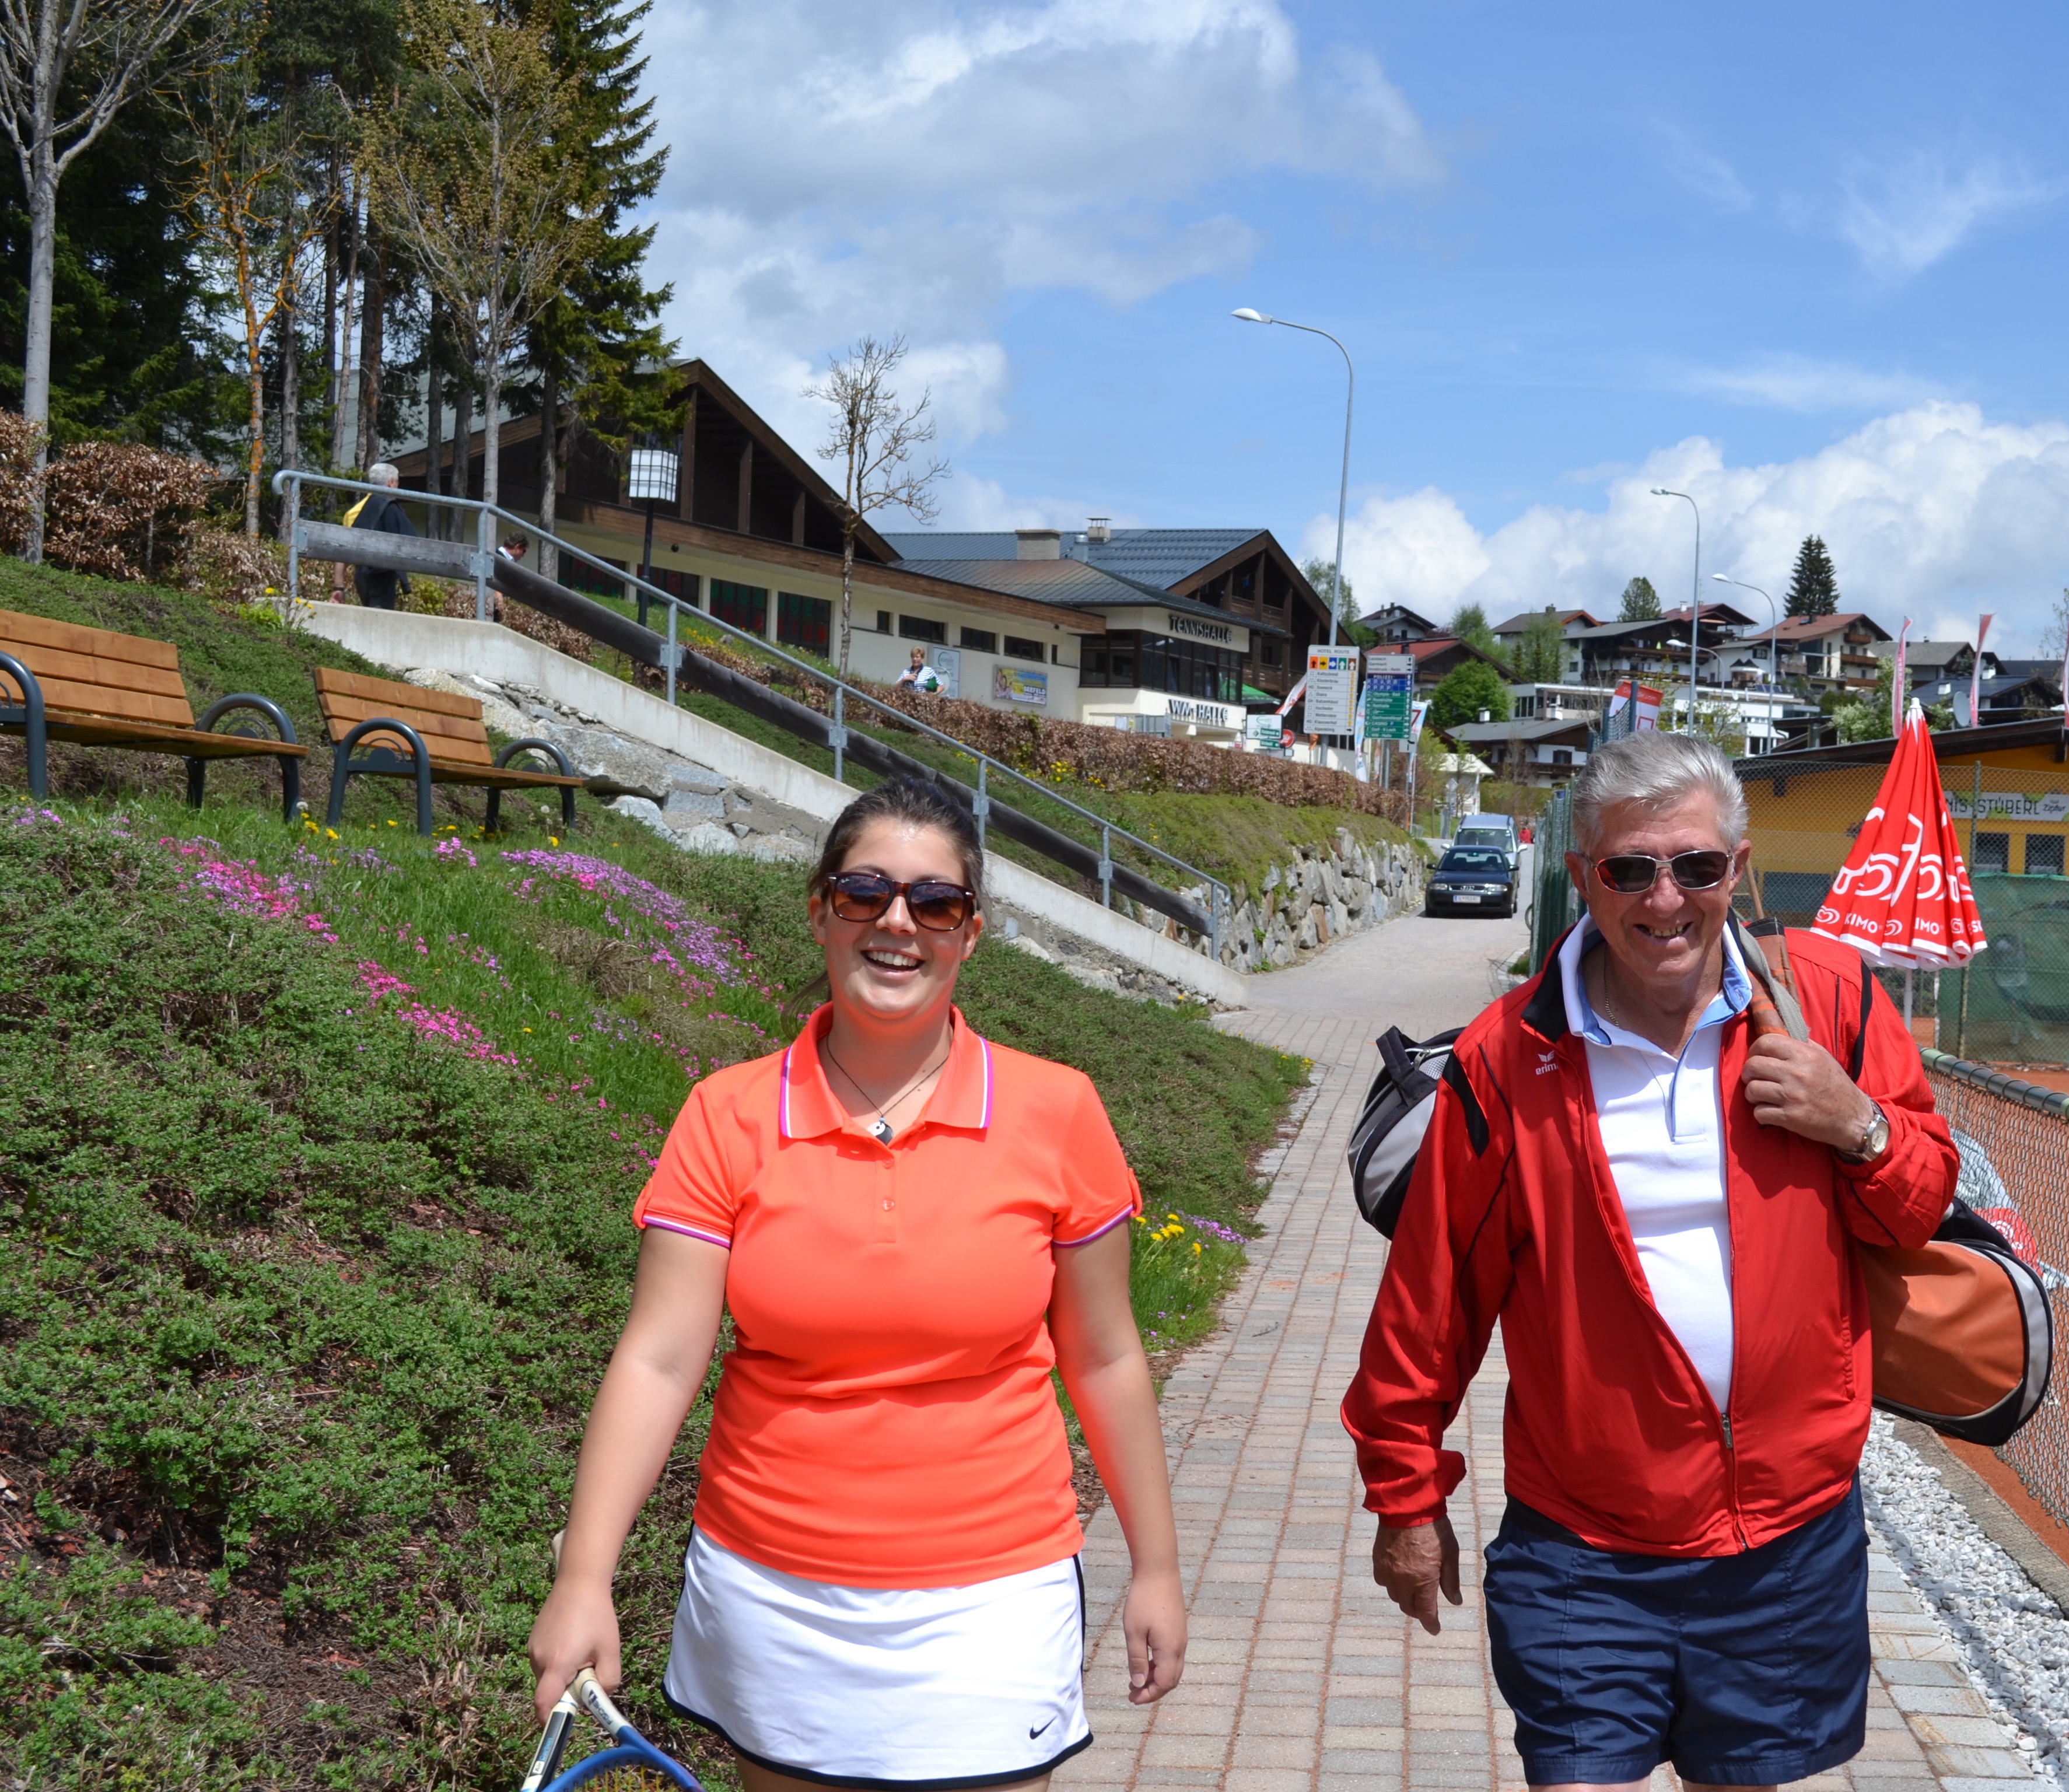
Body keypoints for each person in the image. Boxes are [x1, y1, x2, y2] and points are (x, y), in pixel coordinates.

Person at [528, 776, 1185, 1790]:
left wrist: (1156, 1567)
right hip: (769, 1592)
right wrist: (583, 1577)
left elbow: (1104, 1357)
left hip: (996, 1596)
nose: (897, 922)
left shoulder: (1058, 1110)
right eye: (864, 892)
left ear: (971, 933)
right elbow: (658, 1359)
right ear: (820, 912)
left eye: (936, 902)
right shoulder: (726, 1114)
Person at [1343, 730, 1961, 1792]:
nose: (1664, 899)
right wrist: (1405, 1493)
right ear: (1584, 875)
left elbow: (1917, 1208)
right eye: (1630, 869)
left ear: (1739, 867)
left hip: (1788, 1540)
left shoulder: (1828, 1004)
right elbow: (1432, 1296)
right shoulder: (1508, 1057)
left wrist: (1855, 1122)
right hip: (1583, 1545)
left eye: (1696, 866)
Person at [344, 463, 417, 610]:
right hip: (382, 575)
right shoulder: (390, 507)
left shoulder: (358, 510)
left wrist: (338, 586)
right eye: (397, 483)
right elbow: (413, 542)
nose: (397, 488)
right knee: (379, 617)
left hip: (361, 575)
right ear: (390, 483)